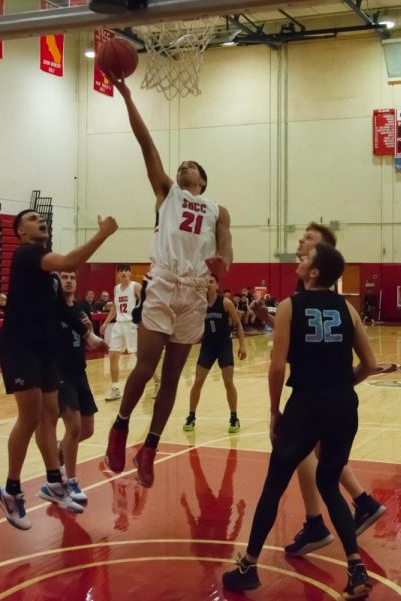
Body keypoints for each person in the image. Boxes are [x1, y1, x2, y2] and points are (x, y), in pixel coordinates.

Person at [222, 243, 376, 598]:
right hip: (343, 406)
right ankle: (355, 568)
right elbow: (370, 364)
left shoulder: (292, 306)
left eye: (305, 259)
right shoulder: (348, 308)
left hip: (306, 405)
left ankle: (248, 566)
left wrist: (274, 410)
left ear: (315, 272)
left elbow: (277, 365)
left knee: (274, 484)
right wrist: (340, 383)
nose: (299, 261)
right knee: (329, 481)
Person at [102, 76, 233, 489]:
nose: (183, 167)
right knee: (145, 365)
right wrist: (126, 95)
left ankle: (151, 448)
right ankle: (121, 427)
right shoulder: (167, 192)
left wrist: (220, 264)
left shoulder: (218, 210)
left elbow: (227, 252)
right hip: (162, 283)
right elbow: (147, 145)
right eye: (181, 165)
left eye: (191, 166)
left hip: (194, 295)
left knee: (173, 378)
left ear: (204, 181)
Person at [252, 223, 385, 557]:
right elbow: (297, 331)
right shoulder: (319, 297)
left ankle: (338, 512)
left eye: (309, 240)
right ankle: (348, 528)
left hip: (311, 397)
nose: (301, 241)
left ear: (320, 259)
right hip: (338, 398)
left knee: (307, 456)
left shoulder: (310, 293)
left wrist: (274, 408)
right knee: (322, 458)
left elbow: (288, 344)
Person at [0, 209, 116, 531]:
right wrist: (103, 234)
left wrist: (89, 334)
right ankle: (11, 489)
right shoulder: (27, 254)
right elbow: (69, 263)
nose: (40, 220)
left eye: (41, 218)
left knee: (49, 413)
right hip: (20, 347)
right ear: (20, 231)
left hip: (46, 350)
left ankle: (54, 482)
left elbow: (64, 307)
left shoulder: (47, 272)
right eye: (32, 218)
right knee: (31, 417)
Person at [182, 274, 247, 434]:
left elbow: (238, 324)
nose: (208, 285)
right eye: (205, 282)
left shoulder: (225, 302)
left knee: (228, 381)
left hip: (223, 344)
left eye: (211, 282)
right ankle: (191, 416)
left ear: (217, 285)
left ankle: (234, 417)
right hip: (208, 346)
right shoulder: (199, 304)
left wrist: (243, 345)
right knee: (198, 381)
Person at [55, 270, 98, 504]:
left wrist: (89, 331)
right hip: (60, 374)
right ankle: (70, 481)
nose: (69, 280)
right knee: (73, 426)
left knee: (87, 429)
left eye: (73, 277)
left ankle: (59, 451)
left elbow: (89, 346)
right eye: (64, 277)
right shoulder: (53, 309)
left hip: (79, 372)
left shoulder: (82, 308)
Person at [101, 264, 141, 401]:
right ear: (117, 274)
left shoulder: (135, 286)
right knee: (112, 356)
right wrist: (106, 322)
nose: (124, 273)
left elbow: (146, 303)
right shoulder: (116, 289)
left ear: (130, 273)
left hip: (131, 325)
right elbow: (114, 308)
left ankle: (158, 382)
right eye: (121, 271)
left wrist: (143, 321)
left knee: (141, 358)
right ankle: (116, 388)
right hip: (119, 324)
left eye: (126, 270)